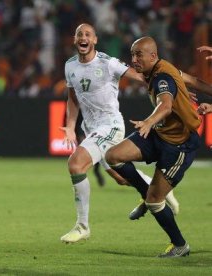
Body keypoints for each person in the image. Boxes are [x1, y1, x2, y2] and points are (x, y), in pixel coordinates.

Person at [59, 23, 179, 244]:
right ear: (75, 40)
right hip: (91, 128)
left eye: (87, 34)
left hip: (110, 125)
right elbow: (73, 98)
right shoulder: (70, 66)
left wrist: (173, 86)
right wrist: (70, 125)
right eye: (79, 35)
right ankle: (158, 188)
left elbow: (143, 77)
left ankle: (82, 226)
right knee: (121, 178)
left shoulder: (108, 63)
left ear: (94, 40)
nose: (83, 37)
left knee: (76, 164)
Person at [105, 37, 201, 257]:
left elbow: (165, 105)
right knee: (113, 156)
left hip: (179, 145)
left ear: (153, 56)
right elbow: (193, 80)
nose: (134, 59)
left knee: (155, 201)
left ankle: (180, 245)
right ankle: (143, 190)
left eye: (139, 55)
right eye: (132, 54)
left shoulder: (162, 77)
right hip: (160, 134)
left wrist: (149, 121)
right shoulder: (166, 69)